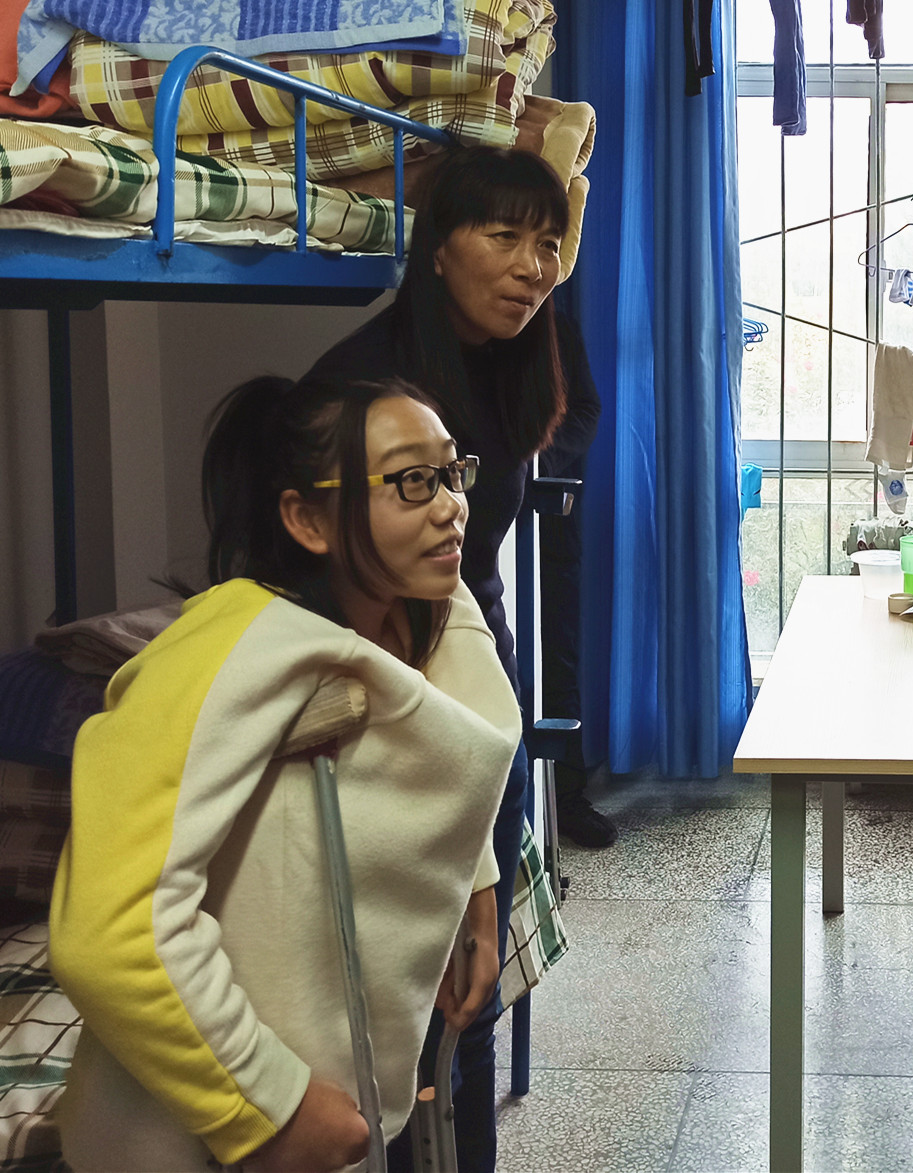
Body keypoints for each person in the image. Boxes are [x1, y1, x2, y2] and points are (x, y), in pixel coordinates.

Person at [50, 376, 517, 1172]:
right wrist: (271, 1106)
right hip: (194, 1134)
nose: (450, 506)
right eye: (412, 481)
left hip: (342, 1098)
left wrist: (472, 886)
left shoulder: (416, 611)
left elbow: (445, 752)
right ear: (305, 519)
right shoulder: (224, 651)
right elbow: (110, 930)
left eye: (451, 472)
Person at [306, 145, 605, 1172]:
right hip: (384, 682)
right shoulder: (362, 391)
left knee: (470, 992)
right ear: (438, 248)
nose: (532, 267)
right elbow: (322, 593)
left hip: (474, 660)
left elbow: (474, 575)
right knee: (407, 990)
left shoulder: (519, 353)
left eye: (547, 243)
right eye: (503, 235)